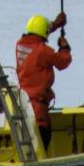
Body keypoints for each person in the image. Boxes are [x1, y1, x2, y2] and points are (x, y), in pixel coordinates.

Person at [15, 12, 70, 151]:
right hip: (38, 109)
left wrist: (55, 24)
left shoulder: (20, 44)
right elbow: (63, 62)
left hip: (23, 105)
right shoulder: (43, 51)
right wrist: (64, 47)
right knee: (43, 140)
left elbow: (38, 34)